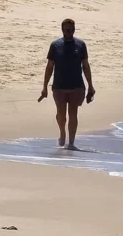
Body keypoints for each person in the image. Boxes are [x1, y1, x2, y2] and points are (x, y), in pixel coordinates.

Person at [39, 18, 95, 150]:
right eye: (66, 30)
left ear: (74, 29)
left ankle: (71, 143)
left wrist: (91, 86)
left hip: (76, 86)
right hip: (59, 86)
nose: (69, 32)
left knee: (73, 113)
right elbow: (49, 67)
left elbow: (86, 66)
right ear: (62, 30)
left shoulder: (81, 45)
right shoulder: (55, 45)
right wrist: (44, 87)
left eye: (71, 30)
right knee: (61, 114)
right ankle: (62, 132)